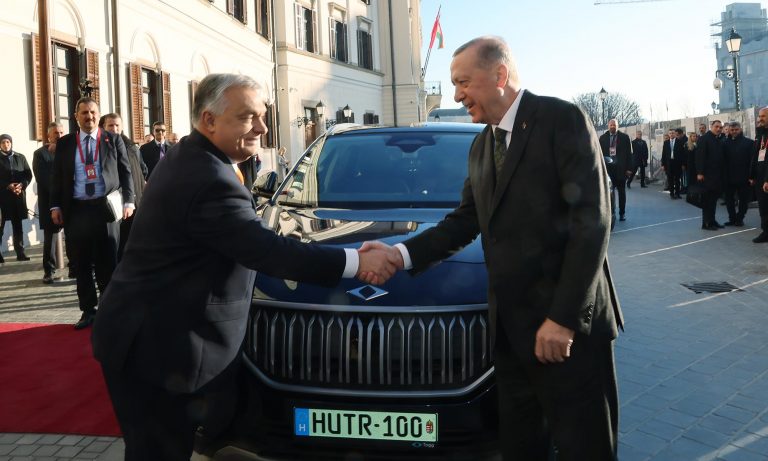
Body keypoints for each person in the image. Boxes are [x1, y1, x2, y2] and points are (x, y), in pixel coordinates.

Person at [91, 73, 398, 461]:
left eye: (263, 115)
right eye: (248, 117)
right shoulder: (208, 177)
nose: (263, 127)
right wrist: (357, 260)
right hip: (156, 352)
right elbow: (267, 251)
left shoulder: (197, 158)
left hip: (154, 341)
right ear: (209, 120)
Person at [361, 36, 623, 461]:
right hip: (512, 335)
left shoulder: (561, 120)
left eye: (463, 82)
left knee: (585, 449)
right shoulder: (482, 145)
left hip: (568, 333)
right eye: (454, 84)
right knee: (521, 448)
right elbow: (465, 221)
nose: (456, 95)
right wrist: (400, 254)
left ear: (499, 75)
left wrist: (562, 319)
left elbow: (591, 224)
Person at [50, 97, 136, 329]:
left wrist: (129, 201)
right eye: (84, 113)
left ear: (99, 115)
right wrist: (55, 205)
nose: (89, 117)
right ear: (76, 116)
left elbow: (125, 172)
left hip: (105, 209)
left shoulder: (112, 140)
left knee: (108, 262)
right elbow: (57, 176)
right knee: (81, 263)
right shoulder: (66, 143)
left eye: (93, 112)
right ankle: (88, 310)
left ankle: (109, 309)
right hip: (77, 210)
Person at [100, 113, 148, 260]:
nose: (114, 128)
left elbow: (143, 170)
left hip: (135, 202)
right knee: (116, 246)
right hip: (115, 203)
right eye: (110, 125)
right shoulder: (102, 147)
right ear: (103, 127)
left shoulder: (132, 146)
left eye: (117, 125)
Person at [32, 122, 65, 282]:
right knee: (50, 239)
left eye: (61, 132)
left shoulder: (69, 151)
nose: (59, 136)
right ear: (48, 135)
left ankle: (75, 267)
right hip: (50, 203)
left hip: (70, 201)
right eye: (56, 133)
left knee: (74, 237)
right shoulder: (40, 154)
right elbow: (43, 179)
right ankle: (49, 271)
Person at [0, 134, 33, 263]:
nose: (6, 144)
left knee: (18, 226)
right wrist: (7, 185)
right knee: (0, 226)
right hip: (2, 197)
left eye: (8, 142)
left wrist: (22, 185)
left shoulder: (20, 157)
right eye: (3, 142)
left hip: (17, 196)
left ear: (11, 143)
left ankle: (20, 253)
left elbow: (28, 174)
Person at [599, 119, 632, 220]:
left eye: (614, 125)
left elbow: (629, 154)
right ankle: (611, 213)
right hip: (608, 170)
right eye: (611, 125)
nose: (613, 126)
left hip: (621, 169)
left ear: (618, 126)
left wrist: (629, 168)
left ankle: (622, 213)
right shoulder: (602, 138)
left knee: (621, 192)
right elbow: (600, 155)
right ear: (608, 126)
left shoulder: (625, 137)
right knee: (609, 193)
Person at [695, 120, 725, 230]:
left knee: (713, 200)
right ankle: (706, 223)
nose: (718, 129)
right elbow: (699, 156)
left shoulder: (717, 139)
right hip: (707, 175)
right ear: (711, 126)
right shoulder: (704, 139)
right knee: (707, 200)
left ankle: (712, 221)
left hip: (716, 175)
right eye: (716, 126)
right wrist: (700, 173)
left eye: (720, 127)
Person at [723, 121, 752, 226]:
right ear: (729, 131)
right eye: (732, 130)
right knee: (728, 200)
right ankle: (732, 219)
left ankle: (740, 218)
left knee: (743, 200)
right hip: (728, 177)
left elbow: (752, 161)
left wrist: (751, 176)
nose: (734, 131)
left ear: (740, 129)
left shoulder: (749, 143)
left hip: (744, 177)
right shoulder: (724, 143)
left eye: (736, 129)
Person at [750, 107, 768, 243]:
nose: (760, 119)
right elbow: (755, 156)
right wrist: (752, 175)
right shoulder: (760, 134)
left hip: (766, 177)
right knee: (763, 205)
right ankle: (766, 231)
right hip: (759, 176)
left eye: (763, 116)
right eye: (759, 116)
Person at [662, 128, 686, 199]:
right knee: (670, 179)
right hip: (669, 163)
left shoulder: (679, 142)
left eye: (673, 133)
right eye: (670, 133)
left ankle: (677, 193)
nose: (671, 134)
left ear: (675, 134)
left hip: (677, 163)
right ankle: (672, 194)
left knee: (677, 179)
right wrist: (663, 164)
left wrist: (683, 164)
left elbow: (683, 154)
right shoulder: (666, 143)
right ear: (668, 134)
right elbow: (664, 154)